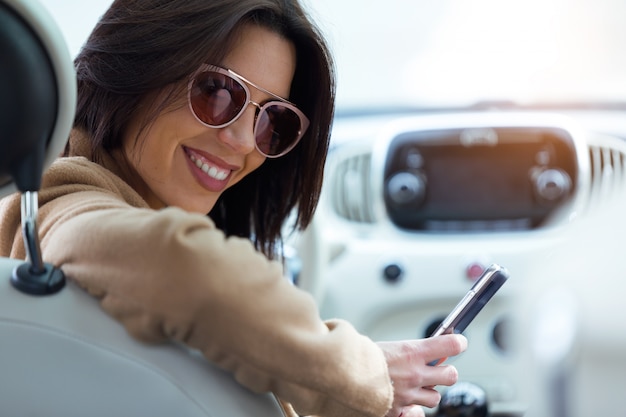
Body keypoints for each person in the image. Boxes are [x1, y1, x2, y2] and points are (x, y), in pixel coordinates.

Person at [0, 1, 466, 416]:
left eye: (273, 121)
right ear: (138, 68)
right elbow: (186, 267)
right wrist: (366, 374)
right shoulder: (59, 198)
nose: (243, 143)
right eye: (216, 93)